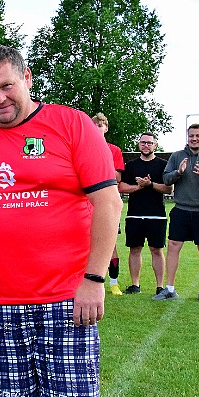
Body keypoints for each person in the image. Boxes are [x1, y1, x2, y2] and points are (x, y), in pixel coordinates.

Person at [0, 46, 123, 397]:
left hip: (65, 300)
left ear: (27, 79)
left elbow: (108, 203)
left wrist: (94, 280)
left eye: (7, 86)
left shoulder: (72, 124)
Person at [153, 123, 199, 303]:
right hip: (182, 209)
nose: (194, 138)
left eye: (198, 136)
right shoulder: (178, 156)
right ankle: (169, 289)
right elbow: (166, 179)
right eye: (191, 135)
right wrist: (178, 172)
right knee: (173, 245)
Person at [118, 132, 172, 295]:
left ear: (155, 145)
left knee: (156, 250)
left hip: (156, 214)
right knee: (135, 249)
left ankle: (160, 286)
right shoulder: (131, 165)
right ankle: (135, 285)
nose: (146, 145)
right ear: (139, 144)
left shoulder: (163, 165)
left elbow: (169, 189)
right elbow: (121, 187)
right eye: (143, 142)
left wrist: (150, 184)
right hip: (134, 214)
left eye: (149, 143)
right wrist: (138, 187)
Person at [92, 112, 125, 295]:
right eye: (93, 125)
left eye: (100, 125)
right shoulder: (82, 146)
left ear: (106, 128)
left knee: (109, 243)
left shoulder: (114, 150)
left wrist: (96, 167)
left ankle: (113, 282)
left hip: (107, 201)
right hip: (85, 203)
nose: (96, 128)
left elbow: (118, 177)